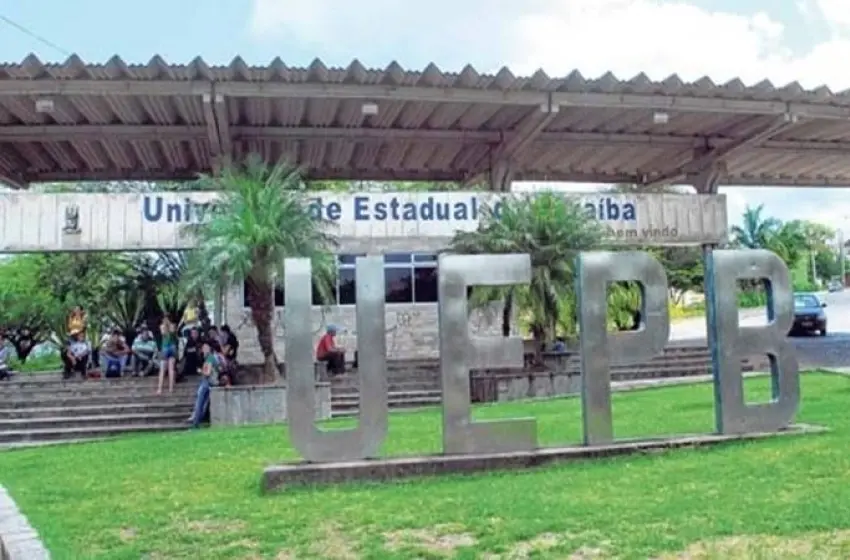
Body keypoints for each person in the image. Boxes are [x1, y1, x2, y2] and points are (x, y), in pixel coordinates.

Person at [188, 341, 219, 429]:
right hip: (208, 383)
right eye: (203, 348)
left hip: (207, 382)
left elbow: (208, 373)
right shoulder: (209, 358)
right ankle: (196, 421)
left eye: (206, 348)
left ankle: (195, 422)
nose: (204, 350)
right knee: (203, 404)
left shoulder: (210, 358)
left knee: (200, 403)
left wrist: (200, 371)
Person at [157, 317, 178, 395]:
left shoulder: (162, 326)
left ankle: (160, 389)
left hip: (165, 347)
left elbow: (163, 333)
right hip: (172, 347)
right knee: (171, 369)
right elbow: (173, 333)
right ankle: (171, 388)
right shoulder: (173, 326)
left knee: (163, 369)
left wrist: (166, 325)